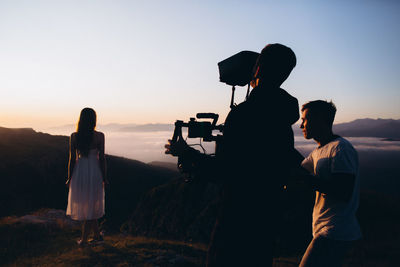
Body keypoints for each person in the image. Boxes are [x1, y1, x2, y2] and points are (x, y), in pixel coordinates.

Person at [166, 43, 301, 266]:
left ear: (257, 70)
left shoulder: (245, 114)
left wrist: (186, 153)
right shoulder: (283, 116)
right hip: (267, 216)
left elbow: (225, 171)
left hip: (237, 217)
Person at [297, 100, 362, 267]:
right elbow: (298, 171)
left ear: (320, 119)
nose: (301, 125)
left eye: (305, 119)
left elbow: (343, 191)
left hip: (335, 231)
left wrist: (306, 180)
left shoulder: (340, 149)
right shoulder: (319, 151)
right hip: (325, 230)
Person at [66, 107, 108, 246]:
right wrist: (104, 176)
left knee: (87, 203)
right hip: (95, 171)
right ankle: (89, 239)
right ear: (94, 120)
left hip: (80, 171)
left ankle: (91, 238)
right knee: (91, 203)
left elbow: (72, 159)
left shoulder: (74, 136)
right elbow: (102, 158)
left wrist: (69, 177)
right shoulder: (100, 136)